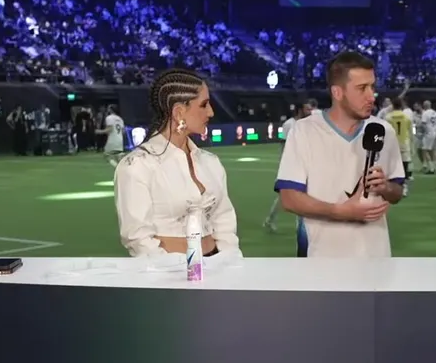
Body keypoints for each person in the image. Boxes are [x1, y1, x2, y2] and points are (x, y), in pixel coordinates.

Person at [274, 51, 406, 258]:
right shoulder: (304, 131)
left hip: (376, 259)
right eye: (362, 88)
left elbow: (397, 192)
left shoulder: (384, 131)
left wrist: (386, 187)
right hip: (322, 260)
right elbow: (289, 199)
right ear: (337, 92)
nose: (371, 96)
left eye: (372, 87)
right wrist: (341, 211)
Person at [114, 69, 240, 259]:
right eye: (204, 105)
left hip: (217, 265)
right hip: (167, 270)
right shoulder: (137, 166)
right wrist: (174, 272)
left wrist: (230, 262)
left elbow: (224, 221)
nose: (211, 112)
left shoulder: (211, 162)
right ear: (179, 112)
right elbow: (139, 239)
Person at [264, 99, 316, 232]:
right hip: (291, 164)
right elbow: (284, 144)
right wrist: (285, 164)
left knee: (304, 194)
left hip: (305, 163)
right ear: (300, 110)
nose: (310, 111)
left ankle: (300, 226)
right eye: (307, 109)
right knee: (286, 195)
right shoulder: (289, 124)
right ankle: (272, 219)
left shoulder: (308, 124)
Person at [384, 97, 415, 196]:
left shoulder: (388, 117)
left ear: (393, 106)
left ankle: (393, 187)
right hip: (404, 144)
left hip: (392, 145)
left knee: (392, 168)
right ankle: (404, 188)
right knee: (404, 167)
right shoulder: (406, 117)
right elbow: (411, 133)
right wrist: (412, 145)